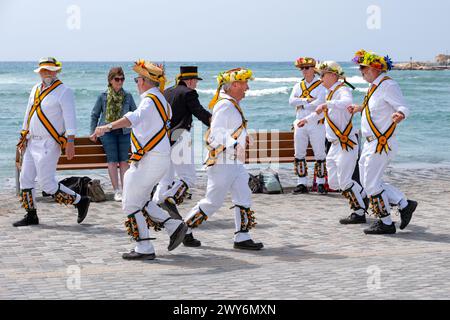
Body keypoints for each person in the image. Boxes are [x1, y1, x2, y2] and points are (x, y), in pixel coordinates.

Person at [92, 60, 187, 260]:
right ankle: (174, 225)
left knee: (129, 204)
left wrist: (106, 127)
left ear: (144, 81)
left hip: (148, 160)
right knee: (141, 200)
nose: (136, 83)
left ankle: (144, 247)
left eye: (137, 79)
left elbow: (132, 118)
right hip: (158, 159)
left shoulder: (149, 101)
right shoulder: (163, 101)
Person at [183, 68, 264, 251]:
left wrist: (244, 137)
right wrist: (236, 146)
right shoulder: (225, 105)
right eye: (244, 84)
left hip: (233, 162)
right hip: (222, 162)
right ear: (234, 85)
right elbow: (216, 132)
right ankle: (183, 228)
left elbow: (229, 129)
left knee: (244, 195)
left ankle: (242, 237)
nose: (247, 88)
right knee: (213, 201)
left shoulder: (230, 103)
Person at [14, 57, 90, 227]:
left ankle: (80, 200)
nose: (46, 73)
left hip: (50, 144)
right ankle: (31, 214)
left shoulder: (64, 91)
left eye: (50, 70)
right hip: (32, 141)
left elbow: (70, 118)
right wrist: (23, 136)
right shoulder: (35, 89)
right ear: (40, 72)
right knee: (25, 179)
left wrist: (70, 142)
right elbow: (28, 114)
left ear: (56, 71)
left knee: (47, 184)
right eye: (43, 70)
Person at [349, 50, 418, 235]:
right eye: (360, 68)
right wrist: (359, 108)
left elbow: (402, 106)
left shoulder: (388, 85)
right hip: (369, 143)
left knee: (372, 185)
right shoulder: (373, 87)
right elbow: (376, 108)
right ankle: (404, 203)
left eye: (363, 68)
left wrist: (400, 114)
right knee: (369, 183)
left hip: (381, 143)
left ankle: (386, 223)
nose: (361, 72)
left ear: (374, 68)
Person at [298, 61, 369, 225]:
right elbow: (323, 113)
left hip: (346, 142)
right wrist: (306, 120)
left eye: (322, 74)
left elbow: (346, 103)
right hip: (335, 144)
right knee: (334, 182)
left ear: (332, 75)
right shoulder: (330, 93)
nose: (320, 77)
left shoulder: (342, 90)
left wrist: (326, 104)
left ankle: (359, 212)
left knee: (344, 181)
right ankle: (363, 195)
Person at [153, 66, 211, 247]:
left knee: (164, 181)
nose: (196, 85)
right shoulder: (189, 93)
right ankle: (169, 199)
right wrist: (216, 123)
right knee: (188, 178)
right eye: (196, 82)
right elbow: (200, 113)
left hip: (164, 141)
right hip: (180, 138)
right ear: (191, 80)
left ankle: (174, 225)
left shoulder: (167, 92)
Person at [90, 67, 137, 201]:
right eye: (117, 79)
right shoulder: (103, 96)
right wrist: (93, 132)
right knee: (112, 160)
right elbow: (94, 115)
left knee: (123, 162)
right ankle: (117, 190)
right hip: (107, 133)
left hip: (124, 132)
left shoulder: (128, 96)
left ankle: (125, 190)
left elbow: (135, 115)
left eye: (122, 79)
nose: (120, 82)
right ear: (110, 80)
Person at [290, 57, 327, 194]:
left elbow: (320, 103)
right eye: (302, 68)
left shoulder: (321, 85)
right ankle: (302, 183)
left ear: (313, 69)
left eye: (307, 68)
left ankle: (321, 183)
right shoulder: (298, 85)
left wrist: (301, 103)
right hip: (299, 122)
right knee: (299, 152)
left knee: (320, 153)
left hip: (316, 123)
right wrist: (306, 100)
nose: (304, 71)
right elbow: (291, 101)